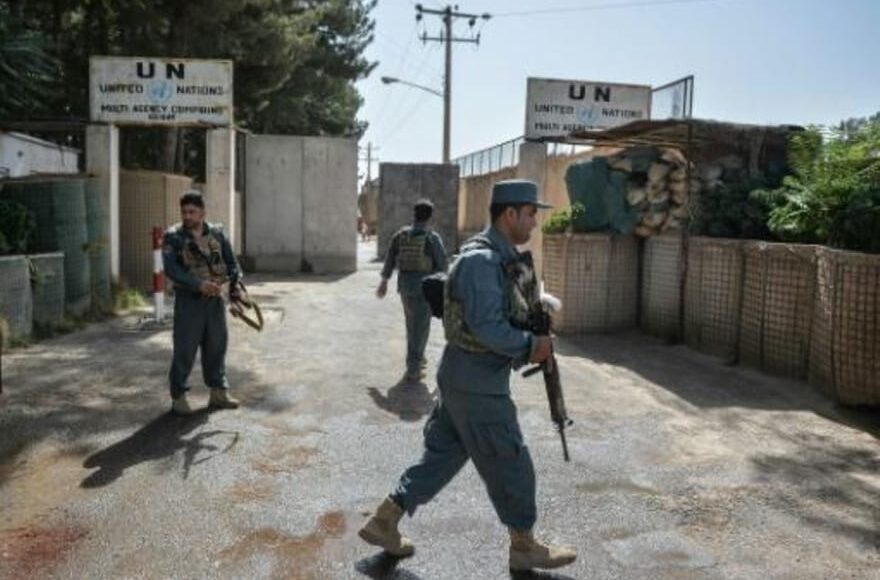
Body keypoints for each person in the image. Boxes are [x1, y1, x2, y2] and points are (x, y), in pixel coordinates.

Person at [359, 180, 577, 572]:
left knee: (441, 458)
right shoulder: (482, 261)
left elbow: (504, 313)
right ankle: (524, 546)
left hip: (465, 378)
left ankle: (384, 521)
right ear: (509, 214)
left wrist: (535, 323)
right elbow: (487, 327)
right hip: (478, 385)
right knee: (513, 464)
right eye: (530, 214)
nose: (534, 222)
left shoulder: (498, 256)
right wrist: (532, 346)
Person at [162, 191, 242, 416]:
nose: (187, 216)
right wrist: (198, 285)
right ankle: (178, 396)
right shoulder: (173, 237)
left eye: (192, 212)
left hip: (215, 301)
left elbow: (232, 264)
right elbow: (172, 269)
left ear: (203, 212)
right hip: (189, 302)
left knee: (217, 346)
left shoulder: (217, 233)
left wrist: (233, 286)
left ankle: (218, 392)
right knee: (185, 349)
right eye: (184, 212)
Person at [377, 199, 447, 382]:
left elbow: (390, 259)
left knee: (412, 325)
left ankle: (418, 358)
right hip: (425, 289)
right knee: (421, 328)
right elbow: (443, 265)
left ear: (414, 214)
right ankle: (413, 368)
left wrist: (384, 281)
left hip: (405, 288)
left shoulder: (401, 235)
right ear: (430, 217)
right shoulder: (432, 238)